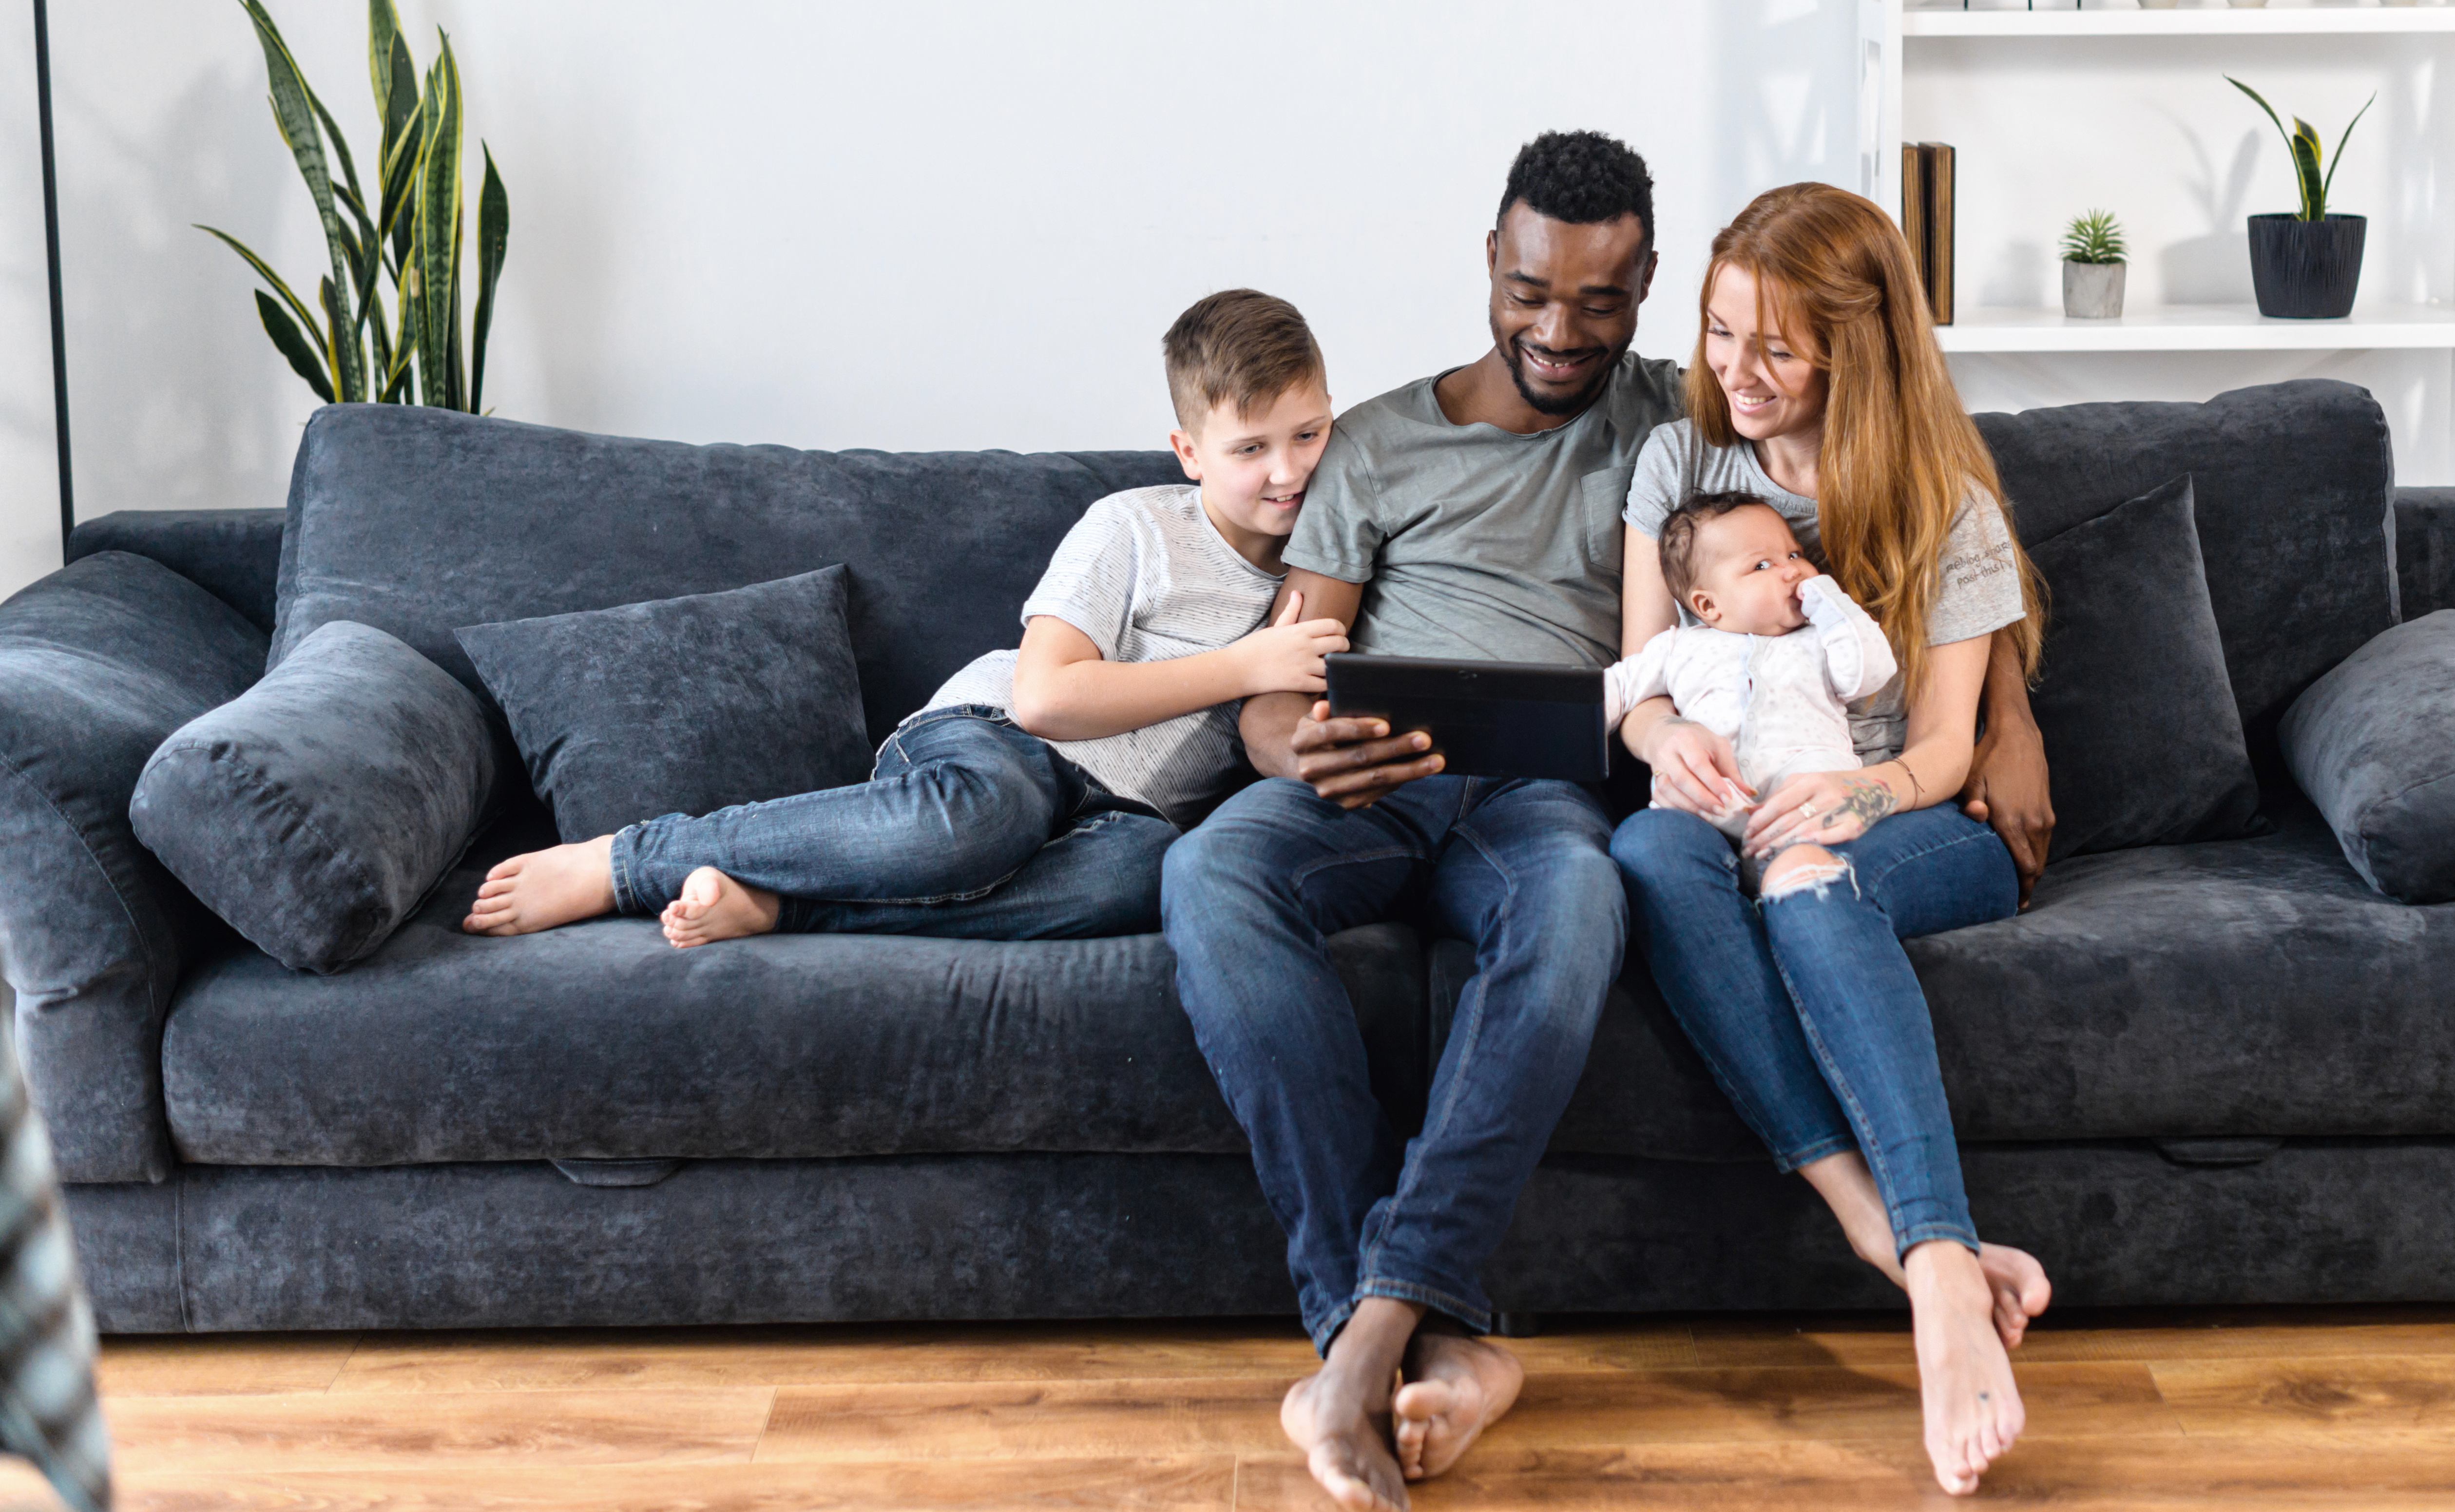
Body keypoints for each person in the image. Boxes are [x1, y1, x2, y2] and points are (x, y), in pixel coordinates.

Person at [1161, 130, 1681, 1512]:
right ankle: (1384, 1332)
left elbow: (1888, 449)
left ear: (1646, 284)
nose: (1556, 331)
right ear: (1488, 265)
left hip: (1542, 796)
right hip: (1374, 782)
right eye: (1527, 292)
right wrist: (1297, 742)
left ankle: (1360, 1346)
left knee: (1580, 908)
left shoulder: (1678, 425)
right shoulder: (1380, 441)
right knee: (1211, 874)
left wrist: (1992, 721)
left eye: (1597, 301)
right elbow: (1283, 674)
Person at [1610, 183, 2057, 1499]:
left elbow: (1938, 752)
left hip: (1906, 826)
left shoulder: (1943, 505)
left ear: (1852, 348)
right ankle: (1886, 1237)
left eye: (1774, 348)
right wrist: (1654, 743)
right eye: (1714, 333)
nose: (1733, 375)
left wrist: (1848, 808)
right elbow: (1638, 677)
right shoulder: (1677, 471)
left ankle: (1931, 1272)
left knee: (1804, 888)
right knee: (1647, 858)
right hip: (1723, 812)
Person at [462, 289, 1344, 945]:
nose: (1287, 470)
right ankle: (627, 859)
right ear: (1188, 452)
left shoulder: (1340, 556)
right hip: (999, 743)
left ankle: (780, 904)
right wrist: (1246, 667)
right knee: (987, 816)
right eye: (1250, 449)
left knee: (1148, 878)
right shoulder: (1137, 526)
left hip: (1123, 817)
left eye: (1308, 434)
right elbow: (1045, 698)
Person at [1601, 491, 1899, 866]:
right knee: (1673, 810)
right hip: (1715, 798)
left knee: (1813, 802)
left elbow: (1870, 673)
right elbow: (1614, 690)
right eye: (1761, 566)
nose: (1792, 570)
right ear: (1708, 605)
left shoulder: (1822, 639)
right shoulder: (1679, 647)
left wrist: (1831, 602)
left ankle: (1795, 873)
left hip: (1806, 797)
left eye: (1794, 555)